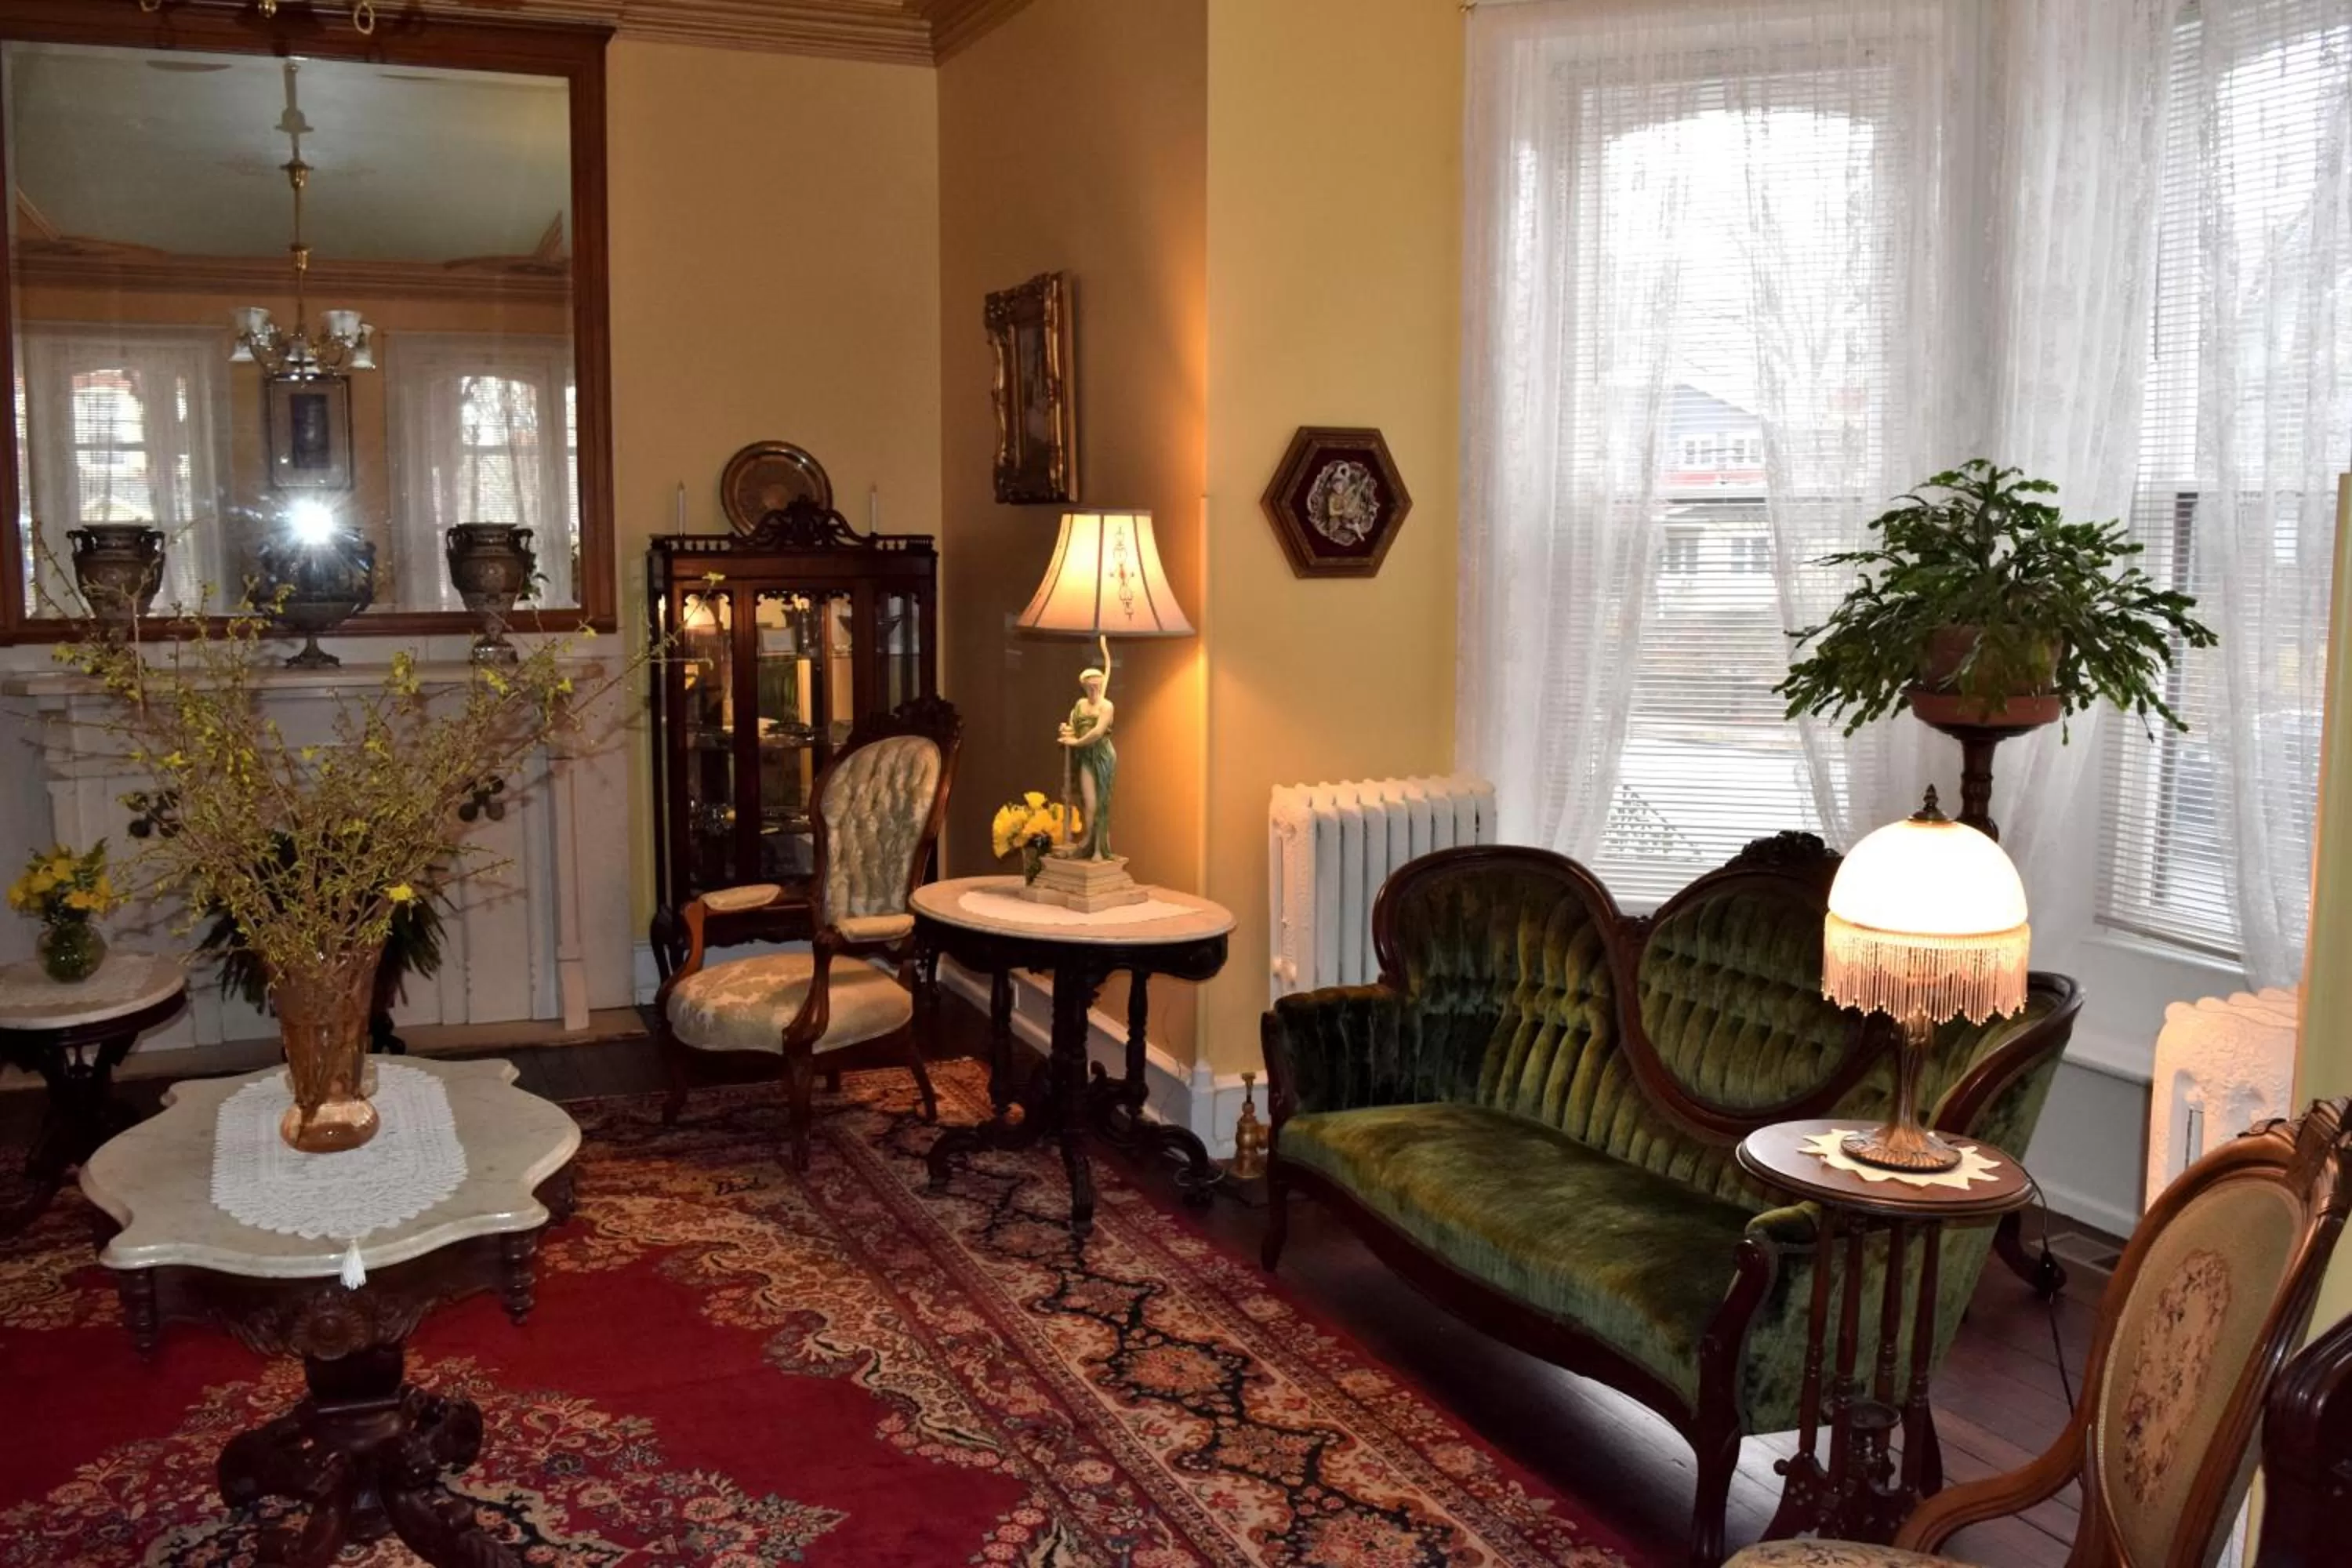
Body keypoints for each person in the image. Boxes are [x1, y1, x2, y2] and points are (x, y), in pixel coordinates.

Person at [1057, 665, 1116, 860]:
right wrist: (1066, 731)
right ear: (1083, 687)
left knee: (1101, 802)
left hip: (1102, 756)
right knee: (1089, 803)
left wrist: (1077, 742)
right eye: (1089, 687)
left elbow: (1098, 732)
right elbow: (1073, 727)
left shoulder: (1107, 706)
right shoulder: (1080, 705)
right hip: (1085, 758)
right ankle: (1090, 840)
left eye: (1096, 687)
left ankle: (1100, 847)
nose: (1093, 691)